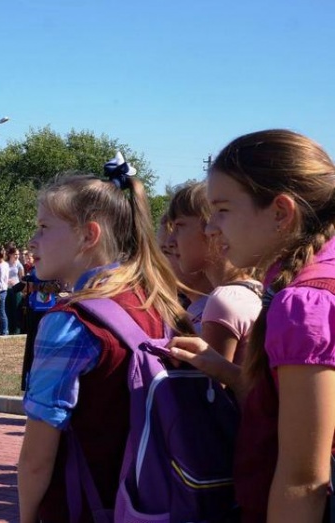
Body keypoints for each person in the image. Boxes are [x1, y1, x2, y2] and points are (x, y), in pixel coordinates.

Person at [167, 130, 335, 522]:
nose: (211, 228)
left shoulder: (304, 304)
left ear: (280, 212)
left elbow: (303, 480)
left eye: (222, 209)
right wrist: (227, 372)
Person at [17, 155, 190, 523]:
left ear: (88, 235)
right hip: (152, 504)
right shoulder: (157, 301)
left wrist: (29, 515)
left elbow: (36, 459)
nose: (33, 240)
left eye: (44, 227)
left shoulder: (70, 321)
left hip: (83, 505)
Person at [167, 182, 261, 364]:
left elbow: (214, 391)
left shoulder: (222, 300)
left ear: (211, 228)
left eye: (179, 225)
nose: (171, 241)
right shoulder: (252, 289)